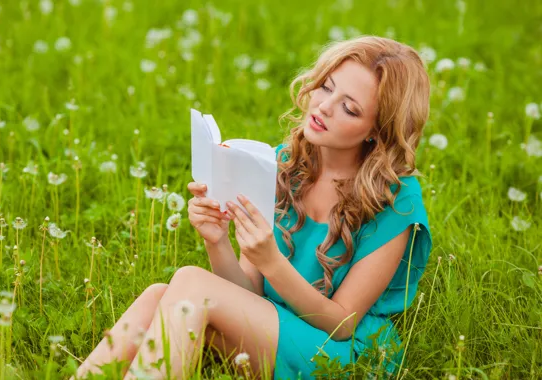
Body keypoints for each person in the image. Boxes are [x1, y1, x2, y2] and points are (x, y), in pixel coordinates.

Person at [74, 35, 432, 380]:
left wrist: (271, 261)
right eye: (326, 87)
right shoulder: (285, 165)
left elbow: (341, 324)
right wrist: (217, 241)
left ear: (377, 130)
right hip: (276, 330)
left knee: (190, 283)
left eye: (349, 108)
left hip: (341, 355)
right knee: (160, 296)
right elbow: (248, 295)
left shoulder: (397, 201)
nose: (324, 106)